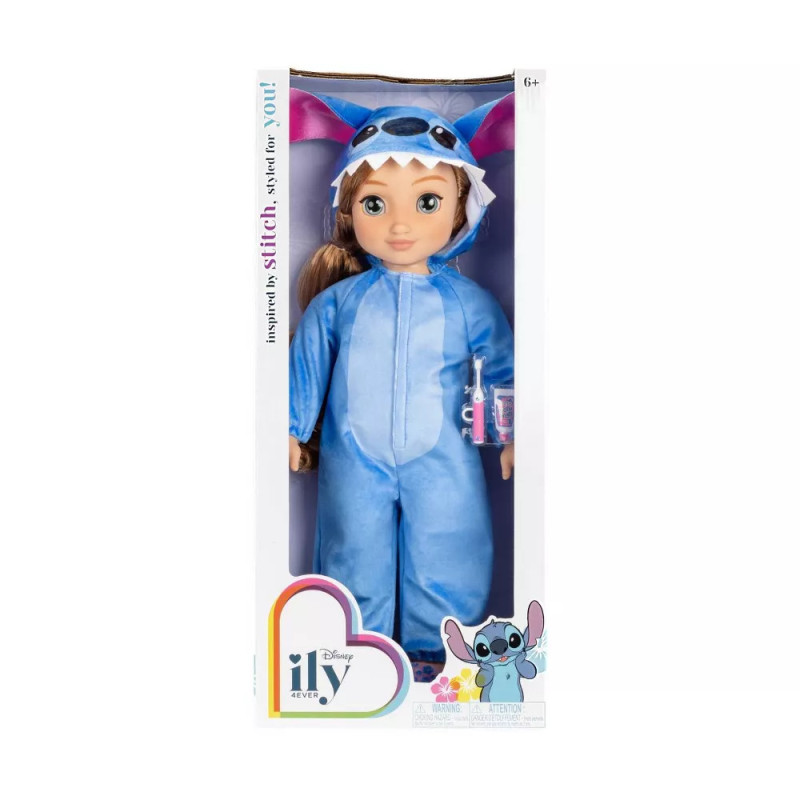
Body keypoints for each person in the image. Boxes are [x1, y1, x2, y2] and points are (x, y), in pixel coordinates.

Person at [288, 90, 515, 679]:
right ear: (348, 208)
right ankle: (354, 649)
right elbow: (309, 362)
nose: (399, 224)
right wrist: (292, 425)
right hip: (353, 456)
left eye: (427, 201)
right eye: (375, 204)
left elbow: (499, 367)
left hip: (445, 456)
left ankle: (439, 655)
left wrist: (509, 434)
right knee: (352, 546)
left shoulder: (470, 303)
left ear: (461, 207)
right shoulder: (338, 303)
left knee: (450, 541)